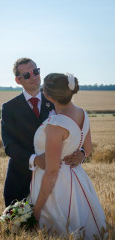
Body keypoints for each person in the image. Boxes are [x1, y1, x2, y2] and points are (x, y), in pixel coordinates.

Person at [30, 73, 106, 239]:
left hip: (57, 187)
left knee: (59, 231)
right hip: (78, 179)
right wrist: (82, 155)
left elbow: (51, 172)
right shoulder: (82, 113)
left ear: (48, 96)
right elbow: (88, 148)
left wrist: (36, 212)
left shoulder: (56, 124)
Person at [1, 58, 85, 207]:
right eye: (27, 75)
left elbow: (76, 129)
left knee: (57, 228)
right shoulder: (9, 108)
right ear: (18, 80)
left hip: (58, 181)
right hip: (20, 178)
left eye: (35, 71)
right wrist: (35, 160)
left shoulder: (56, 100)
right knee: (17, 228)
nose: (33, 77)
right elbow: (9, 145)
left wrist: (82, 153)